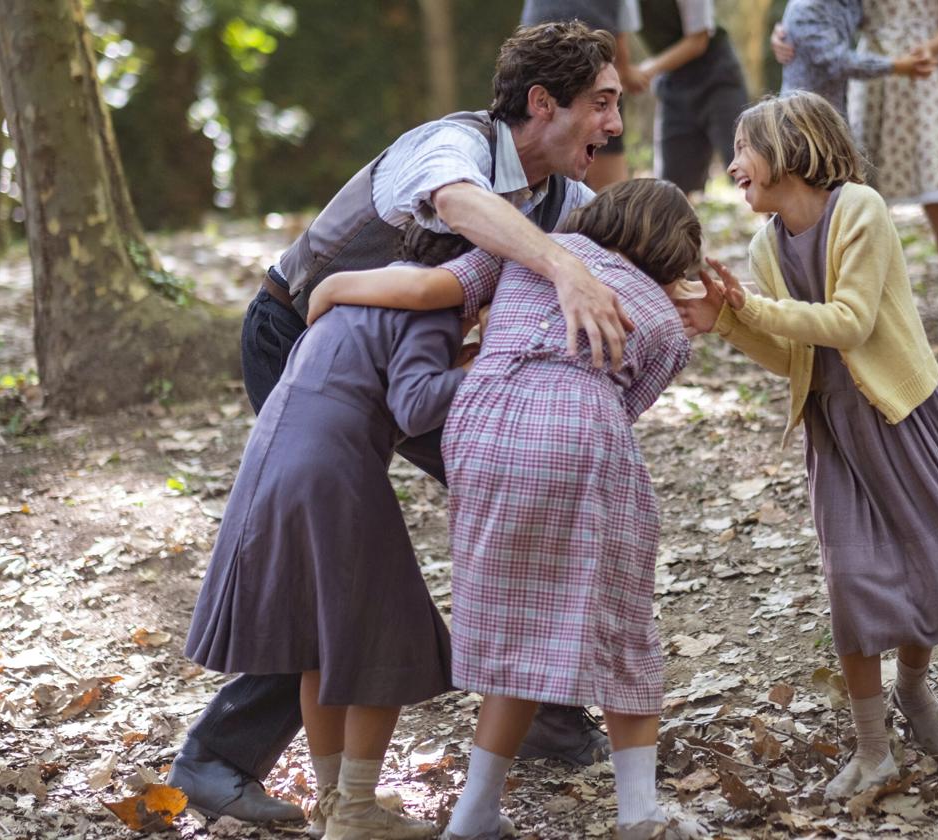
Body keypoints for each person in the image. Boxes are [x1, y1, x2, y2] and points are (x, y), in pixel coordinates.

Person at [169, 20, 624, 826]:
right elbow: (459, 209)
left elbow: (622, 240)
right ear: (543, 103)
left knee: (526, 488)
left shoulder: (562, 194)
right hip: (301, 343)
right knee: (328, 566)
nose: (615, 124)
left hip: (404, 360)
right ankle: (220, 757)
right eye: (601, 102)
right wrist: (559, 270)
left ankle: (540, 705)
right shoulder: (449, 148)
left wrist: (693, 280)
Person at [675, 93, 938, 801]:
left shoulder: (861, 211)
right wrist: (723, 319)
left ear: (788, 148)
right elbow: (795, 355)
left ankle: (913, 689)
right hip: (836, 429)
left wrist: (746, 305)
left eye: (742, 149)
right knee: (853, 583)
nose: (731, 166)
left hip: (902, 415)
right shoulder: (765, 246)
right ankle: (874, 751)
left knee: (928, 566)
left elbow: (847, 323)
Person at [307, 178, 702, 840]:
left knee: (517, 616)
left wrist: (330, 287)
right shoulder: (663, 321)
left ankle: (476, 813)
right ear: (671, 254)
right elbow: (622, 410)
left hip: (479, 427)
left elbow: (426, 290)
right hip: (576, 427)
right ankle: (639, 814)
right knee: (621, 622)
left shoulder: (529, 248)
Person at [185, 226, 477, 840]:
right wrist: (496, 366)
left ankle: (332, 799)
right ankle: (356, 811)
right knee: (385, 633)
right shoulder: (434, 307)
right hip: (330, 467)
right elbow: (418, 404)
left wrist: (462, 360)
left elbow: (381, 379)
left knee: (320, 637)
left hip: (275, 454)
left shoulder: (365, 294)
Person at [774, 1, 938, 336]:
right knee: (860, 191)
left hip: (924, 74)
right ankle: (860, 302)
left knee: (936, 185)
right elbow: (829, 12)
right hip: (870, 75)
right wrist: (787, 30)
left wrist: (922, 52)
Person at [626, 0, 747, 195]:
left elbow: (698, 40)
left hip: (717, 76)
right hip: (674, 83)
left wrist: (646, 71)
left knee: (750, 165)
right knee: (670, 189)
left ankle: (779, 225)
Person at [520, 0, 645, 189]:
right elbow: (620, 47)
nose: (615, 126)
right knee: (610, 195)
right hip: (588, 75)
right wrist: (628, 73)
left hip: (530, 72)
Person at [778, 0, 935, 116]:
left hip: (834, 111)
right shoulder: (806, 9)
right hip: (800, 114)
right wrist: (896, 65)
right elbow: (840, 62)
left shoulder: (848, 4)